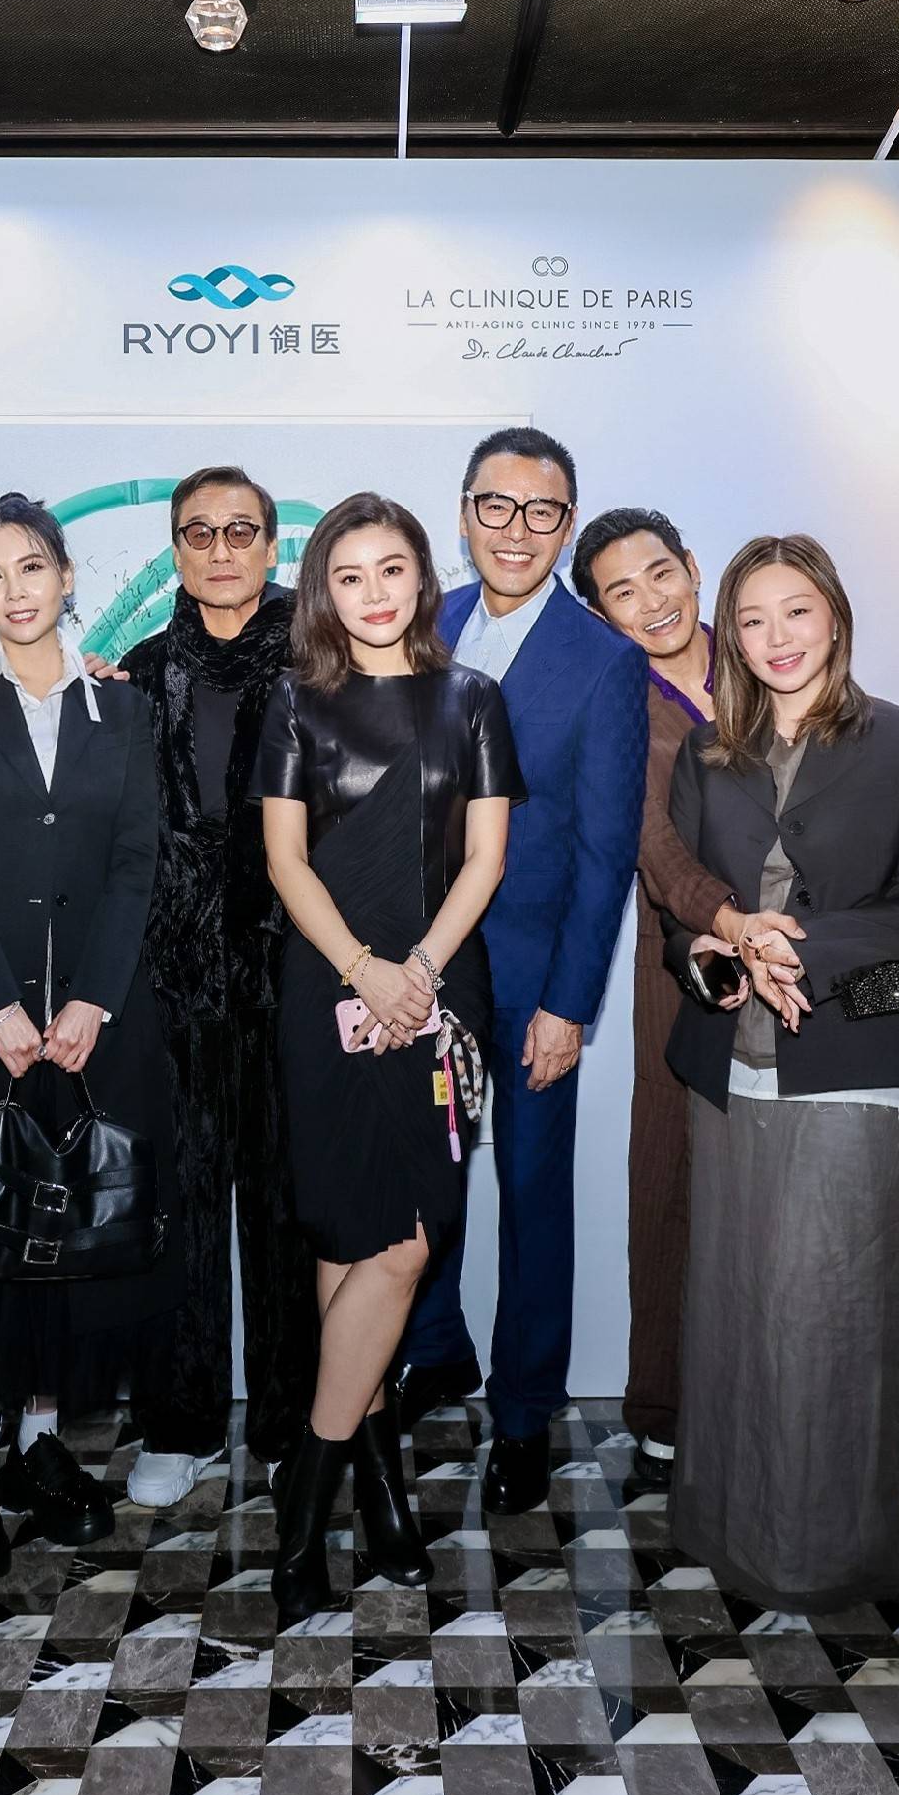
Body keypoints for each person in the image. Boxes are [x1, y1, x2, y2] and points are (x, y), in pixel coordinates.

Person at [660, 534, 899, 1612]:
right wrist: (716, 962)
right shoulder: (709, 752)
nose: (776, 637)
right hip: (730, 1066)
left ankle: (822, 1552)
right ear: (731, 638)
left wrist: (802, 951)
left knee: (829, 1310)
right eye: (752, 619)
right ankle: (723, 1526)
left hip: (856, 1055)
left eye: (796, 610)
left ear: (834, 613)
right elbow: (680, 918)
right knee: (734, 1303)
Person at [0, 492, 177, 1585]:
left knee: (70, 1233)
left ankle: (44, 1442)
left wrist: (95, 999)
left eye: (30, 567)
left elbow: (137, 858)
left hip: (91, 1029)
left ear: (65, 575)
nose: (14, 591)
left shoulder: (123, 707)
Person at [256, 493, 519, 1625]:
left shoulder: (473, 698)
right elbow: (285, 861)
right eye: (350, 573)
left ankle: (304, 1505)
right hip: (328, 985)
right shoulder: (294, 701)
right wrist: (364, 969)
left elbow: (485, 858)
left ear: (424, 575)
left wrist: (415, 973)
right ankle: (378, 1487)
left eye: (393, 568)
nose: (374, 591)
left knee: (405, 1244)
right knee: (346, 1237)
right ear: (324, 587)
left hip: (440, 988)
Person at [395, 426, 648, 1515]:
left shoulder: (605, 659)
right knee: (424, 1178)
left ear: (566, 525)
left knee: (534, 1192)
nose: (516, 530)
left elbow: (606, 852)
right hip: (420, 971)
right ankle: (434, 1347)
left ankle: (526, 1409)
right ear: (463, 514)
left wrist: (570, 1004)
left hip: (535, 976)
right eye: (495, 506)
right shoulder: (422, 623)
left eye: (542, 512)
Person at [114, 467, 321, 1507]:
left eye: (242, 530)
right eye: (200, 532)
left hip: (298, 965)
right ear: (176, 551)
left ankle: (291, 1421)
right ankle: (181, 1420)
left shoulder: (325, 666)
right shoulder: (140, 674)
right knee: (180, 1198)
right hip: (172, 975)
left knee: (287, 1203)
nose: (221, 549)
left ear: (274, 547)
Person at [567, 507, 735, 1476]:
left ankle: (771, 1387)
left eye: (661, 573)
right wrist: (728, 920)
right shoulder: (615, 700)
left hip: (813, 948)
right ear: (601, 616)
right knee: (671, 1170)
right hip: (683, 957)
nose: (652, 601)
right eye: (622, 592)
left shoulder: (763, 650)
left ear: (694, 566)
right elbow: (652, 845)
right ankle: (664, 1398)